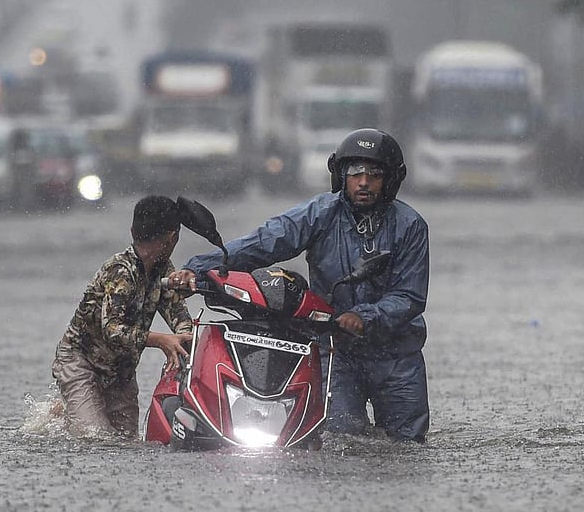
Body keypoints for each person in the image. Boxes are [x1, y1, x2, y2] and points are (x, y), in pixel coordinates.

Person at [170, 129, 430, 443]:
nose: (363, 182)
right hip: (336, 350)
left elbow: (409, 296)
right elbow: (265, 242)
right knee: (339, 440)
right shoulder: (320, 214)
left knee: (408, 447)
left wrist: (365, 317)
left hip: (397, 356)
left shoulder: (411, 225)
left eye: (374, 174)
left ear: (390, 180)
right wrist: (196, 270)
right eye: (355, 173)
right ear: (340, 176)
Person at [52, 195, 193, 437]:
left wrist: (186, 337)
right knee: (96, 438)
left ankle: (73, 410)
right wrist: (161, 340)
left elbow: (177, 314)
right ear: (173, 238)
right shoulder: (121, 272)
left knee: (124, 443)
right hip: (81, 361)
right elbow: (113, 330)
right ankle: (67, 409)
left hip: (121, 372)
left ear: (133, 230)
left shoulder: (163, 270)